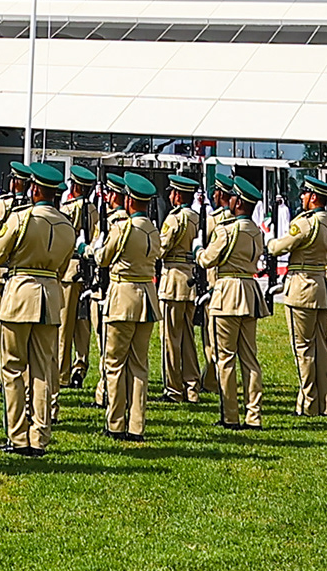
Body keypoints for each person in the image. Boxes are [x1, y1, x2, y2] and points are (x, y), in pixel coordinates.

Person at [0, 160, 78, 455]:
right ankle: (39, 435)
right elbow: (63, 267)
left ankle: (17, 435)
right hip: (50, 297)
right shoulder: (67, 226)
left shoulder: (21, 218)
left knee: (13, 368)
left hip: (20, 294)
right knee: (43, 370)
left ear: (36, 189)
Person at [200, 170, 272, 429]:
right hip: (249, 292)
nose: (228, 200)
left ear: (238, 202)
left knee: (226, 358)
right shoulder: (256, 231)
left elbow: (208, 260)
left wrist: (198, 250)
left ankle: (230, 415)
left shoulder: (226, 230)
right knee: (250, 358)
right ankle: (254, 415)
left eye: (232, 197)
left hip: (227, 294)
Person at [94, 168, 160, 440]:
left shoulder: (122, 228)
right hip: (147, 298)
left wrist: (93, 248)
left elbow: (103, 258)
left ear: (130, 200)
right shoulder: (153, 229)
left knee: (114, 363)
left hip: (123, 297)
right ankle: (136, 425)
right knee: (139, 365)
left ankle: (116, 423)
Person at [282, 176, 327, 417]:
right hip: (320, 286)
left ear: (314, 196)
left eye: (305, 193)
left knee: (303, 348)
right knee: (322, 349)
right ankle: (325, 403)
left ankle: (307, 403)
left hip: (302, 288)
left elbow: (281, 246)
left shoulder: (306, 223)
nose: (302, 197)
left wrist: (271, 243)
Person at [158, 171, 209, 404]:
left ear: (178, 195)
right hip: (190, 281)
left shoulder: (175, 218)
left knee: (171, 338)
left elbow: (162, 249)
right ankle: (192, 387)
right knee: (188, 338)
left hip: (173, 281)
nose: (170, 196)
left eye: (172, 192)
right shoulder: (198, 218)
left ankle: (173, 389)